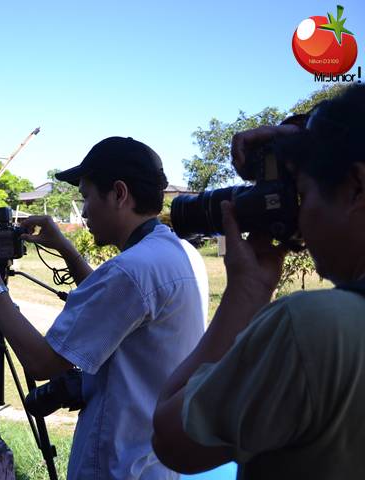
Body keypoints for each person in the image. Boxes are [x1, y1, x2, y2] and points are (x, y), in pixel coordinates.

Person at [152, 85, 365, 479]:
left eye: (303, 195)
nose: (301, 219)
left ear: (356, 187)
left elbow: (169, 435)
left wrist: (246, 292)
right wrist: (308, 133)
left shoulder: (317, 329)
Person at [0, 136, 207, 479]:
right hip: (153, 461)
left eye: (87, 197)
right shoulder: (178, 254)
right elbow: (117, 307)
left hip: (116, 466)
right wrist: (66, 249)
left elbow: (42, 362)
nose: (85, 210)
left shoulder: (132, 270)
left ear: (119, 193)